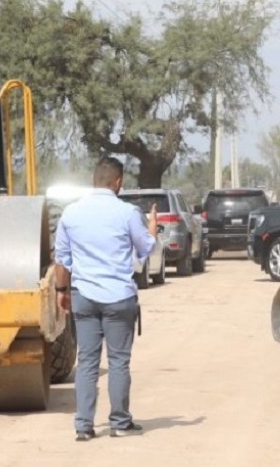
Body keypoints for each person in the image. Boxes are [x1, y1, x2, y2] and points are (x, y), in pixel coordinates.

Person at [54, 156, 158, 441]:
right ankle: (120, 423)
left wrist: (61, 293)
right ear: (119, 182)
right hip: (118, 298)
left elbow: (62, 260)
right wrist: (151, 228)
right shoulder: (127, 213)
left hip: (83, 297)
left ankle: (84, 426)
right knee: (118, 362)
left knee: (87, 362)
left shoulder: (71, 213)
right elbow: (145, 248)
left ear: (93, 181)